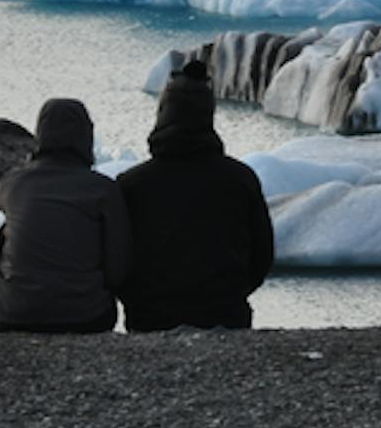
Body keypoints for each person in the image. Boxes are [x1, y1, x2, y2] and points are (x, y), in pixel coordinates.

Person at [116, 59, 275, 331]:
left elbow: (116, 259)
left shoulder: (132, 184)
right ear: (209, 114)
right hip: (225, 315)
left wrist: (137, 298)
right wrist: (232, 293)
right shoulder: (239, 179)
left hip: (151, 318)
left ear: (163, 114)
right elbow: (263, 255)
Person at [0, 98, 132, 334]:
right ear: (87, 136)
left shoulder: (10, 184)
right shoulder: (102, 190)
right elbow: (118, 270)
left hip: (11, 315)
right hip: (86, 316)